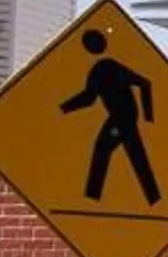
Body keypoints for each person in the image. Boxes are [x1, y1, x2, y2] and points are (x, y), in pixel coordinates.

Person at [60, 28, 161, 206]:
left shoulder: (106, 67)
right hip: (124, 117)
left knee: (103, 151)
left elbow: (145, 83)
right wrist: (64, 108)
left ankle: (91, 199)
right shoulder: (102, 67)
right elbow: (90, 98)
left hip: (122, 118)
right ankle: (154, 199)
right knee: (136, 157)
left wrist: (149, 118)